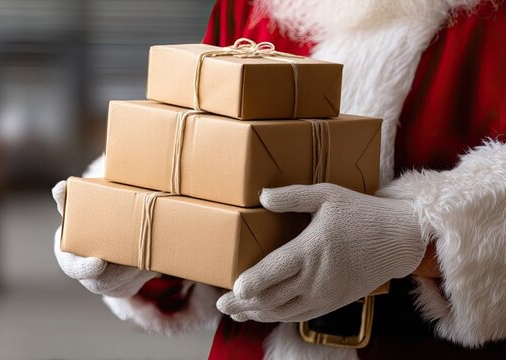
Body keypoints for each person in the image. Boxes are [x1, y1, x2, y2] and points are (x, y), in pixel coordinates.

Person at [52, 0, 506, 358]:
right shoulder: (251, 4)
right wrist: (131, 222)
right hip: (253, 346)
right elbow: (191, 137)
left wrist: (411, 239)